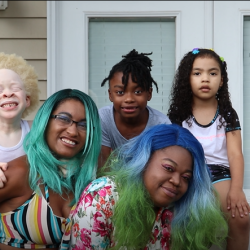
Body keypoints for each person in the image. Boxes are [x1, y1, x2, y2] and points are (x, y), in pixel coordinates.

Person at [70, 124, 228, 250]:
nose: (177, 181)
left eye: (186, 177)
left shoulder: (180, 211)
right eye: (168, 168)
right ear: (144, 160)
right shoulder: (102, 195)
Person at [168, 48, 250, 250]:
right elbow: (174, 152)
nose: (205, 79)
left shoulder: (228, 114)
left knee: (241, 217)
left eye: (212, 73)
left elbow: (235, 154)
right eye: (197, 73)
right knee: (190, 220)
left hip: (220, 174)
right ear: (187, 79)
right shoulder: (179, 114)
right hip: (191, 174)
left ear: (221, 80)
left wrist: (237, 189)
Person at [0, 88, 101, 250]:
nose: (73, 131)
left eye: (84, 125)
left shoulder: (85, 184)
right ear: (45, 121)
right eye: (64, 119)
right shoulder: (22, 171)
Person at [98, 49, 171, 167]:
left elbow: (162, 167)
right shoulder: (103, 119)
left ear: (149, 93)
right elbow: (103, 167)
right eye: (120, 92)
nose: (129, 99)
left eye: (137, 92)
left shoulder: (161, 124)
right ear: (110, 95)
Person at [0, 52, 39, 187]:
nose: (7, 93)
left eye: (15, 88)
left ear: (27, 99)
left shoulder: (37, 131)